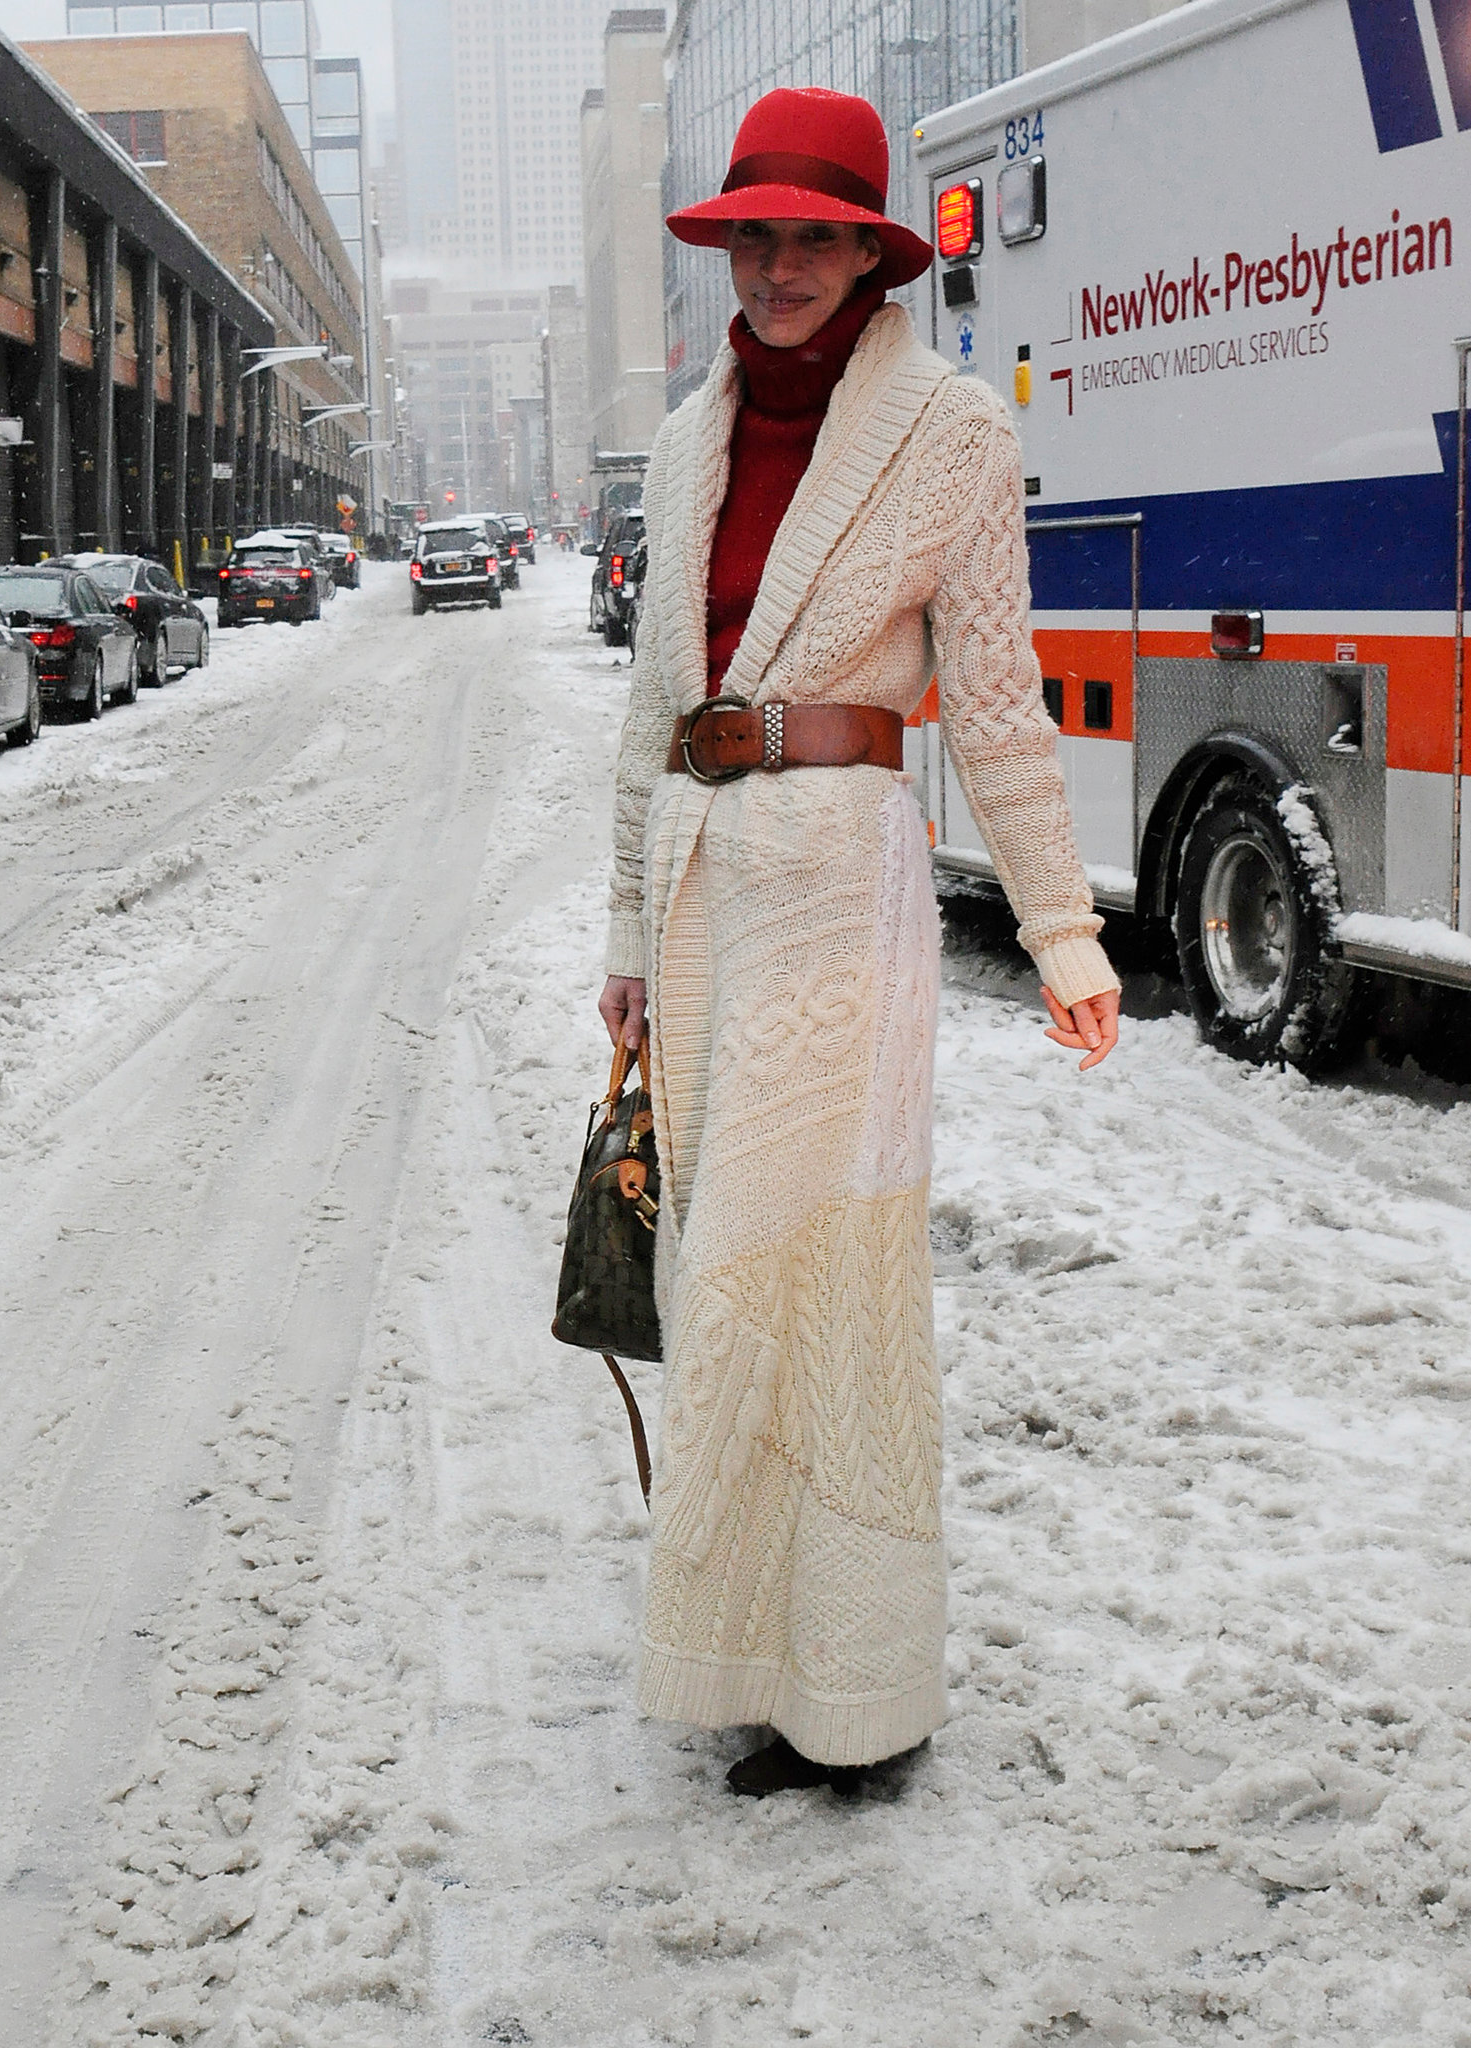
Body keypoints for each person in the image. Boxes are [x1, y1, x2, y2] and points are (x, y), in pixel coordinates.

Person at [597, 89, 1121, 1799]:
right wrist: (622, 922)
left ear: (869, 250)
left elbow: (991, 699)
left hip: (839, 878)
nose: (776, 267)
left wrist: (1061, 927)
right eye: (752, 235)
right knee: (719, 1270)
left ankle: (856, 1684)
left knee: (808, 1272)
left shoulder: (954, 433)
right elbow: (648, 703)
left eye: (810, 236)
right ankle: (761, 1656)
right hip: (698, 885)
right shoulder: (686, 440)